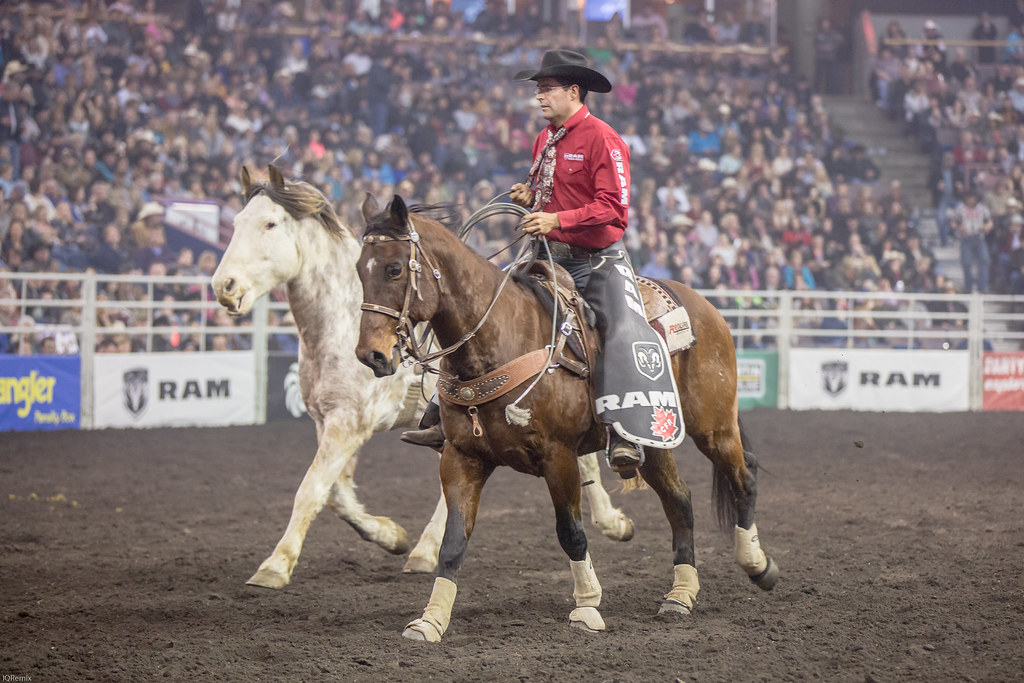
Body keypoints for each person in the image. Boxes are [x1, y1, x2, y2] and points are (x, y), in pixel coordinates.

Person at [402, 49, 677, 477]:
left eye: (546, 89)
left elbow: (614, 209)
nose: (539, 97)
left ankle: (624, 430)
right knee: (480, 307)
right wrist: (532, 198)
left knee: (620, 327)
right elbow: (551, 191)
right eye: (538, 90)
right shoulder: (545, 139)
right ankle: (442, 415)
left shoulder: (604, 138)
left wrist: (556, 218)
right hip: (547, 255)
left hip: (597, 260)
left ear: (573, 91)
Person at [952, 190, 993, 293]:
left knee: (984, 260)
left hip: (979, 237)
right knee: (966, 262)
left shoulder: (982, 208)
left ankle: (982, 286)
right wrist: (958, 228)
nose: (970, 200)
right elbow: (953, 222)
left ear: (976, 198)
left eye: (972, 198)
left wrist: (987, 227)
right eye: (968, 198)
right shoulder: (960, 209)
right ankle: (968, 286)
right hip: (966, 239)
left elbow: (990, 221)